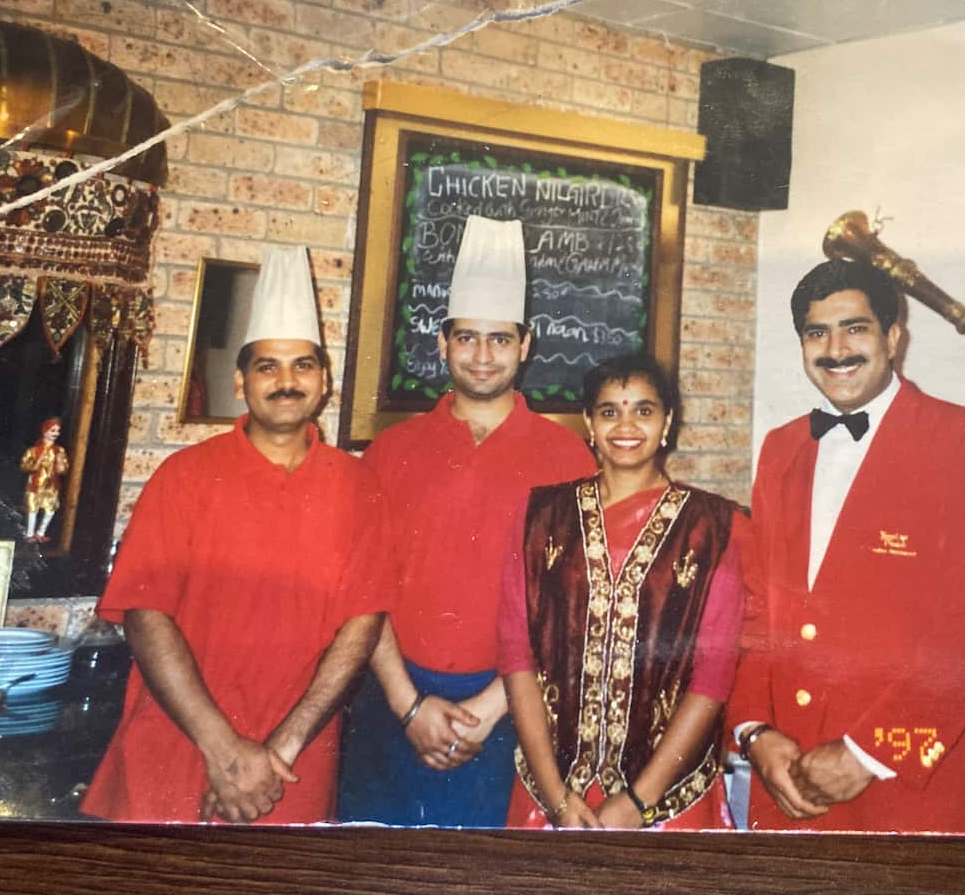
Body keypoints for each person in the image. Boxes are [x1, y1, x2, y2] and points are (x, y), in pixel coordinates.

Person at [81, 245, 388, 825]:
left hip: (292, 763)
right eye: (267, 366)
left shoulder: (357, 486)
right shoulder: (185, 476)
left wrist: (281, 750)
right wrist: (225, 751)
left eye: (303, 365)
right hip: (178, 742)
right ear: (240, 380)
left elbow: (362, 623)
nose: (286, 381)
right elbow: (146, 617)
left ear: (324, 382)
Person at [728, 258, 965, 833]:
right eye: (817, 333)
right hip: (788, 774)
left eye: (855, 327)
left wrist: (868, 754)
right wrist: (753, 730)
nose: (836, 348)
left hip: (910, 787)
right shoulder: (781, 447)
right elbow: (758, 605)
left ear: (893, 337)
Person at [338, 216, 595, 827]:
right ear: (442, 342)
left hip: (513, 706)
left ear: (526, 345)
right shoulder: (390, 452)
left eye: (501, 339)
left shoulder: (569, 457)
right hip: (392, 698)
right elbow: (361, 590)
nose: (483, 356)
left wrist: (491, 707)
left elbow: (573, 602)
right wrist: (407, 705)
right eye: (468, 338)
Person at [499, 353, 746, 830]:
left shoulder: (713, 526)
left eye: (644, 410)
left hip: (668, 800)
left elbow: (713, 678)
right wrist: (554, 796)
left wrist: (638, 802)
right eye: (609, 411)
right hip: (549, 794)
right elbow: (516, 657)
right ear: (589, 422)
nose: (625, 425)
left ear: (668, 421)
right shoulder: (540, 517)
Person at [20, 416, 68, 542]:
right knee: (32, 508)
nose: (56, 434)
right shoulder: (34, 450)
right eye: (53, 431)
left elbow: (63, 470)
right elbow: (25, 466)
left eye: (58, 431)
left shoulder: (59, 450)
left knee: (50, 509)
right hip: (36, 484)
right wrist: (37, 461)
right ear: (45, 431)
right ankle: (30, 534)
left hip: (51, 486)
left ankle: (41, 532)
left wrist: (60, 463)